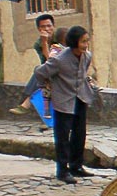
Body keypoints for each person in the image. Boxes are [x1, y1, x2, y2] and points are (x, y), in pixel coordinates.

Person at [33, 26, 97, 184]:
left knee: (79, 134)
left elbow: (82, 74)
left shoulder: (87, 56)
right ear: (74, 42)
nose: (86, 44)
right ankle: (62, 170)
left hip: (80, 98)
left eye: (87, 41)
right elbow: (40, 73)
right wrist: (51, 88)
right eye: (83, 41)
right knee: (62, 137)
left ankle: (77, 166)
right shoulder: (59, 60)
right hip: (64, 101)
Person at [9, 14, 56, 117]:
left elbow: (52, 63)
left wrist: (45, 43)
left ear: (53, 26)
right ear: (39, 29)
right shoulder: (38, 44)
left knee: (39, 70)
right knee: (41, 73)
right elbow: (47, 63)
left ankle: (26, 103)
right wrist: (44, 43)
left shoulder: (61, 38)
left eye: (49, 26)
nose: (47, 29)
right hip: (51, 73)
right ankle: (45, 117)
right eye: (43, 27)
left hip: (64, 71)